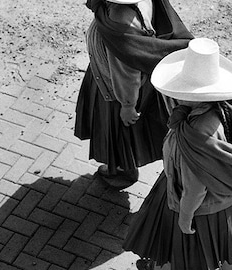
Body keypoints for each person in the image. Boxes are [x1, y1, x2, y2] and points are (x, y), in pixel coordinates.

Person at [123, 38, 232, 270]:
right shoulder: (224, 107)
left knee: (181, 257)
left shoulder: (195, 134)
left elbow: (194, 188)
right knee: (224, 255)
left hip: (197, 209)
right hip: (226, 204)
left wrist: (185, 218)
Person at [74, 0, 193, 189]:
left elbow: (126, 72)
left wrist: (127, 105)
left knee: (120, 129)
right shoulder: (138, 3)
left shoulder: (120, 20)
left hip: (117, 90)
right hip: (126, 83)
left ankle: (122, 170)